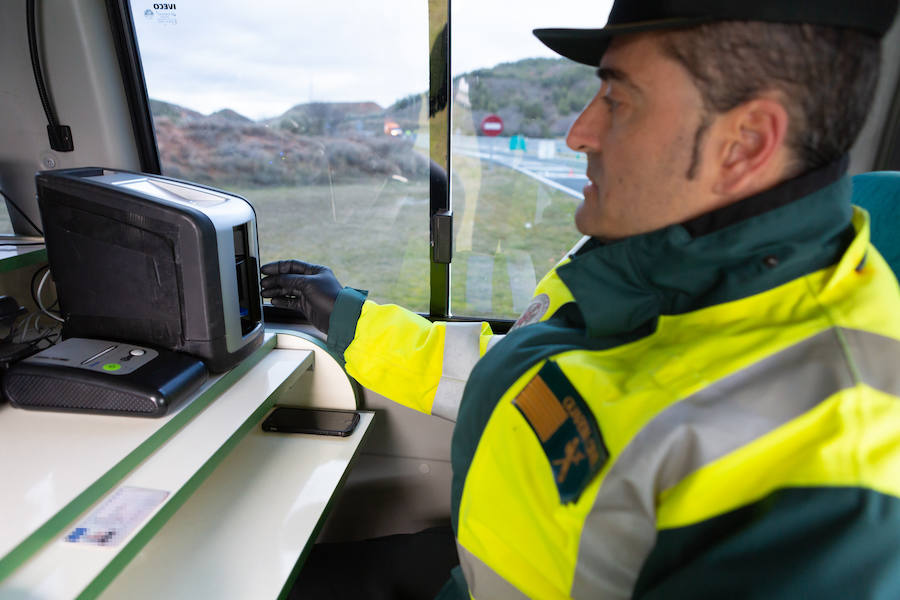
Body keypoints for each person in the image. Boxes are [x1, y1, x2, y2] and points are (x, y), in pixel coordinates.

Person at [263, 0, 900, 597]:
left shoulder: (832, 473)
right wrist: (348, 318)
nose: (578, 133)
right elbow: (518, 367)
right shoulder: (635, 252)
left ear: (746, 144)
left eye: (618, 99)